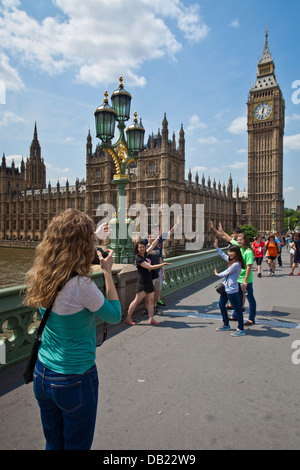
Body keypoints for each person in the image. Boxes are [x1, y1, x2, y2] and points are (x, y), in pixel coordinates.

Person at [24, 209, 121, 450]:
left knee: (53, 444)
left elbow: (69, 259)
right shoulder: (81, 286)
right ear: (82, 246)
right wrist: (107, 272)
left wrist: (94, 237)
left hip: (42, 373)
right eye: (89, 239)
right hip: (74, 378)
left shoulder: (41, 275)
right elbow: (115, 315)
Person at [211, 222, 257, 326]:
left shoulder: (248, 251)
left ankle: (251, 318)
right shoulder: (238, 247)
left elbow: (249, 267)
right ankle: (236, 315)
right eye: (238, 240)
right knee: (239, 299)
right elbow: (229, 239)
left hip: (246, 279)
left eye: (241, 240)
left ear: (245, 240)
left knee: (250, 299)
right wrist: (221, 231)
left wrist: (245, 281)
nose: (239, 241)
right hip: (238, 279)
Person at [125, 239, 172, 326]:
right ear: (137, 249)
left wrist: (158, 237)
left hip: (149, 281)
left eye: (143, 247)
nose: (142, 249)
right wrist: (163, 265)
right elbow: (151, 267)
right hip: (142, 283)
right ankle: (128, 318)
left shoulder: (144, 255)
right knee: (137, 301)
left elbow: (152, 246)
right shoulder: (139, 259)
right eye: (140, 247)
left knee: (151, 300)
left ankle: (151, 318)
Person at [213, 239, 246, 337]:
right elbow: (224, 256)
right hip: (226, 288)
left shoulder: (236, 264)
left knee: (237, 309)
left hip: (232, 289)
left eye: (231, 252)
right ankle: (226, 324)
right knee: (221, 304)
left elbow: (226, 272)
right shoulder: (232, 260)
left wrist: (217, 274)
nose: (229, 253)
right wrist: (217, 248)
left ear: (236, 253)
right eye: (229, 251)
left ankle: (241, 329)